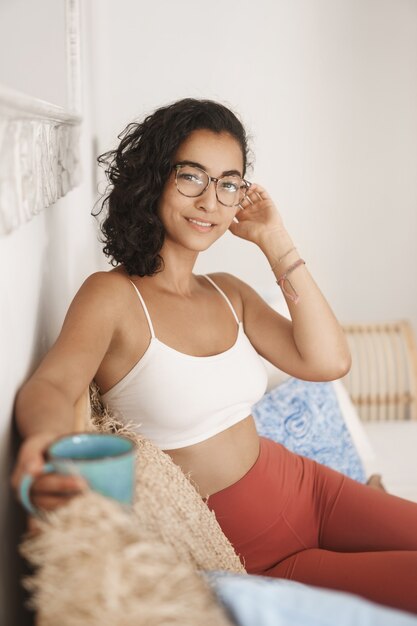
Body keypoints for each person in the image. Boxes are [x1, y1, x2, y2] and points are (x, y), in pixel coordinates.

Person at [11, 98, 417, 614]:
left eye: (228, 183)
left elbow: (329, 361)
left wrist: (273, 238)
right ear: (153, 176)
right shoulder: (111, 297)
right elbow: (53, 385)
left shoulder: (228, 291)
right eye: (191, 177)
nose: (209, 201)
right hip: (259, 554)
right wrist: (45, 441)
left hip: (311, 489)